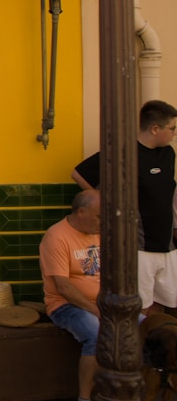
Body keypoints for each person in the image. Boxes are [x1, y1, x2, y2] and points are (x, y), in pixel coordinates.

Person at [72, 99, 177, 314]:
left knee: (165, 303)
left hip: (166, 244)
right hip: (139, 246)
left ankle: (158, 345)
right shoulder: (123, 152)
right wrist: (106, 200)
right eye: (172, 128)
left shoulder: (168, 154)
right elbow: (78, 173)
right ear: (155, 128)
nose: (174, 133)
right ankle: (138, 347)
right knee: (141, 305)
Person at [39, 189, 101, 401]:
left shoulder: (100, 233)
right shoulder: (57, 236)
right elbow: (63, 287)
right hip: (66, 305)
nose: (102, 222)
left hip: (103, 302)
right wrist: (96, 310)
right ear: (81, 212)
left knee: (147, 328)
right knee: (96, 335)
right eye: (98, 217)